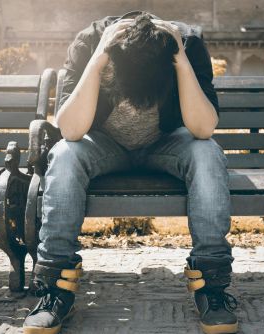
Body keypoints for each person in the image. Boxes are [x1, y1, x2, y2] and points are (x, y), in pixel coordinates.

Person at [23, 11, 237, 334]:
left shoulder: (188, 45)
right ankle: (54, 288)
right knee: (64, 155)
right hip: (105, 144)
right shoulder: (89, 44)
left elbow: (204, 128)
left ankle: (212, 286)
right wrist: (97, 61)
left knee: (208, 153)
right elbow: (69, 129)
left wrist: (180, 61)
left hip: (166, 143)